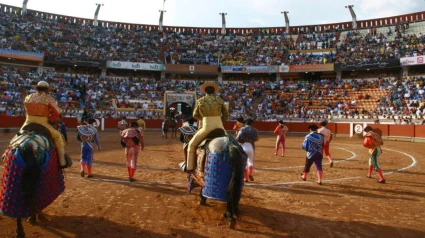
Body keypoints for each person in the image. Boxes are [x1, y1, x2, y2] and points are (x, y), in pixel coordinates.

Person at [21, 81, 69, 167]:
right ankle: (62, 161)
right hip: (43, 123)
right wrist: (50, 119)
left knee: (19, 135)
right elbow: (57, 112)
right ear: (47, 90)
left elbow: (26, 110)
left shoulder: (28, 97)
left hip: (28, 122)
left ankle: (6, 154)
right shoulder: (48, 98)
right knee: (58, 137)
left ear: (37, 88)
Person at [186, 82, 229, 171]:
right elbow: (226, 114)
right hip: (219, 126)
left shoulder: (200, 100)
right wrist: (221, 120)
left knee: (191, 145)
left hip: (206, 126)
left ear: (204, 92)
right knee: (231, 143)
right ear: (214, 92)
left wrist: (203, 118)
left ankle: (189, 168)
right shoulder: (219, 100)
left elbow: (194, 115)